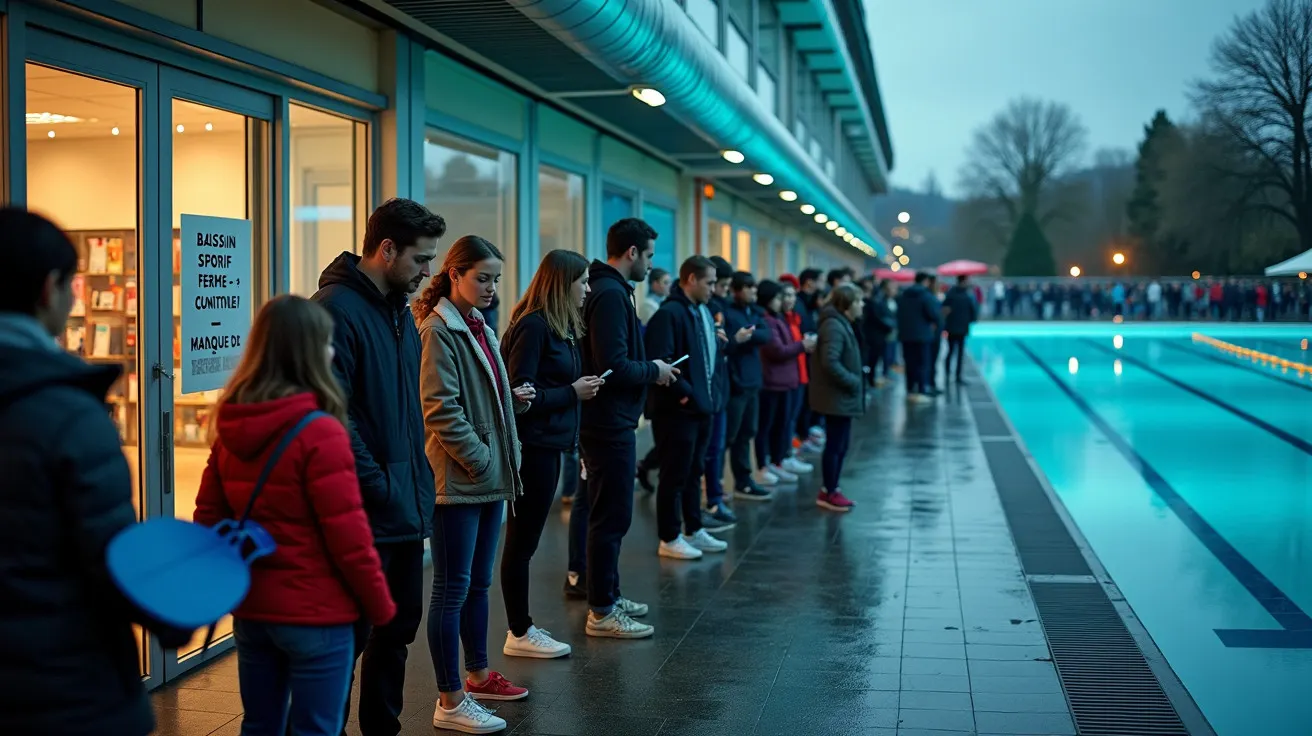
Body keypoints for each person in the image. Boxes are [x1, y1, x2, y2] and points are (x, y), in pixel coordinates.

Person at [0, 209, 192, 736]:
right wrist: (182, 606)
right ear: (49, 289)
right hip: (59, 690)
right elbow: (115, 561)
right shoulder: (69, 416)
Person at [195, 295, 397, 736]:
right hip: (316, 612)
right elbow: (349, 536)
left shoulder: (231, 425)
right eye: (324, 343)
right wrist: (381, 606)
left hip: (253, 610)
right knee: (316, 729)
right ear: (305, 353)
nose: (330, 352)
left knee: (260, 725)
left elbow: (207, 520)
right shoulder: (320, 430)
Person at [311, 197, 444, 736]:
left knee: (395, 630)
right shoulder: (334, 311)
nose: (427, 273)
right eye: (420, 260)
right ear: (386, 250)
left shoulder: (398, 314)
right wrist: (382, 486)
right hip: (363, 510)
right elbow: (331, 419)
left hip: (401, 507)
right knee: (347, 638)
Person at [413, 235, 534, 733]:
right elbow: (440, 406)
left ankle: (478, 674)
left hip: (487, 475)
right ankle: (450, 700)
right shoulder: (440, 328)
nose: (490, 288)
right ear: (455, 273)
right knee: (450, 589)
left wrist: (514, 405)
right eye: (481, 278)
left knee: (477, 583)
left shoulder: (475, 323)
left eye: (495, 280)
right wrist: (482, 458)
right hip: (461, 478)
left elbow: (480, 396)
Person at [500, 249, 601, 658]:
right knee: (521, 543)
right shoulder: (534, 327)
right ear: (563, 284)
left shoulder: (559, 327)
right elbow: (519, 396)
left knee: (526, 542)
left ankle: (521, 628)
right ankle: (519, 631)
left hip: (552, 443)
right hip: (534, 447)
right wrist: (571, 392)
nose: (588, 290)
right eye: (583, 282)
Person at [580, 218, 678, 639]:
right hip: (608, 422)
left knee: (612, 514)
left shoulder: (613, 291)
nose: (652, 264)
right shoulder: (609, 294)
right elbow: (613, 365)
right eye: (650, 255)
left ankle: (609, 595)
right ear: (633, 252)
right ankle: (602, 610)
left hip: (613, 420)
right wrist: (653, 369)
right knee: (611, 516)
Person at [644, 255, 728, 560]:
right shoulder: (669, 314)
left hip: (701, 408)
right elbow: (660, 361)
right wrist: (687, 396)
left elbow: (702, 358)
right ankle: (669, 536)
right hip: (677, 412)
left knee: (695, 472)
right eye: (709, 282)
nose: (714, 288)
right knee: (673, 475)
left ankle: (693, 528)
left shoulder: (702, 311)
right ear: (690, 279)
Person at [810, 283, 866, 512]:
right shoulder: (834, 326)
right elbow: (830, 361)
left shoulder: (841, 323)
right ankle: (828, 491)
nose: (862, 305)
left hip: (840, 396)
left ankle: (832, 488)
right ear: (847, 304)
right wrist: (853, 381)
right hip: (837, 396)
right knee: (835, 445)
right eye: (859, 301)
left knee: (841, 444)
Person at [722, 271, 775, 496]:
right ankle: (714, 482)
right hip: (737, 382)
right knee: (729, 436)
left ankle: (743, 480)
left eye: (754, 287)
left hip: (753, 380)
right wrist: (739, 338)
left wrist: (747, 336)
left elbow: (766, 334)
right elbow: (727, 343)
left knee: (747, 432)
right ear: (736, 290)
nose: (754, 291)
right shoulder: (727, 312)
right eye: (748, 287)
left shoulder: (753, 310)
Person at [757, 279, 815, 482]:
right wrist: (802, 345)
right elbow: (778, 350)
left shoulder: (780, 318)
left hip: (790, 378)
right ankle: (768, 464)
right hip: (775, 381)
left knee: (784, 423)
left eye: (790, 296)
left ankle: (779, 459)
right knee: (770, 426)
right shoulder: (768, 320)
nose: (784, 301)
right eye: (781, 297)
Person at [701, 255, 740, 531]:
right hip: (708, 392)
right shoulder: (698, 310)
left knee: (718, 445)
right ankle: (710, 499)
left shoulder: (718, 307)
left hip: (720, 389)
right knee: (709, 450)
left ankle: (715, 493)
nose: (722, 289)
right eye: (717, 284)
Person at [897, 272, 939, 405]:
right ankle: (921, 389)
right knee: (922, 363)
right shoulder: (926, 296)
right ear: (925, 281)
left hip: (906, 335)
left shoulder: (903, 295)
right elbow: (933, 314)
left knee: (909, 363)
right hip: (922, 335)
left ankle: (910, 389)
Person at [942, 275, 978, 385]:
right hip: (961, 327)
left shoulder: (950, 294)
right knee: (959, 352)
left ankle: (948, 373)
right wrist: (971, 320)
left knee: (951, 351)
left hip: (952, 327)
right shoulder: (967, 295)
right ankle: (957, 375)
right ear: (963, 281)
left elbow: (945, 309)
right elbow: (973, 311)